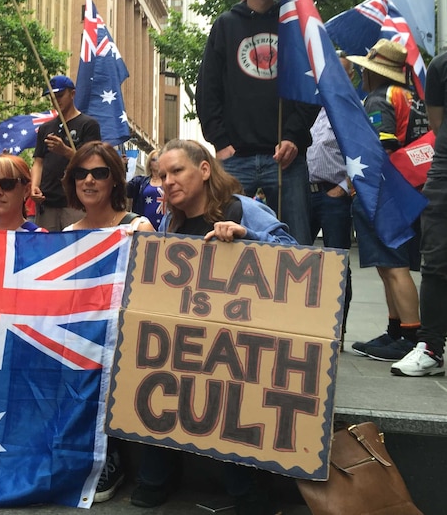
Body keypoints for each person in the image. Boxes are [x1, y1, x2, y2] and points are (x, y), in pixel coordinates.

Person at [131, 139, 293, 514]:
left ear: (204, 170)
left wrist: (246, 237)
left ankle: (246, 489)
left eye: (177, 171)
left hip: (238, 347)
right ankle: (156, 475)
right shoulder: (172, 225)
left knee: (227, 393)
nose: (168, 181)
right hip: (187, 346)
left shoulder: (243, 209)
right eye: (162, 175)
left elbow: (297, 254)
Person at [195, 0, 319, 246]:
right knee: (219, 240)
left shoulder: (293, 24)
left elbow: (311, 85)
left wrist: (294, 135)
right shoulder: (226, 25)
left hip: (286, 158)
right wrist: (220, 142)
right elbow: (207, 88)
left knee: (297, 245)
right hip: (236, 158)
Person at [58, 141, 153, 503]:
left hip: (124, 336)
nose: (89, 180)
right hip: (79, 335)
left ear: (115, 180)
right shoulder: (67, 236)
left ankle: (111, 456)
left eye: (99, 173)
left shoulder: (138, 226)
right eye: (81, 173)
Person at [347, 39, 425, 362]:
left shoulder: (380, 99)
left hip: (387, 192)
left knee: (394, 266)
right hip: (413, 190)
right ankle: (395, 331)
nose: (362, 75)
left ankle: (409, 336)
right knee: (388, 265)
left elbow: (384, 149)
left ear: (375, 73)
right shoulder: (413, 97)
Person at [391, 50, 447, 377]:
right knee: (436, 259)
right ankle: (430, 347)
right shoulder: (441, 66)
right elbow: (438, 125)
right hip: (444, 170)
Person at [307, 53, 356, 351]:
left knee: (338, 265)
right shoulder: (313, 108)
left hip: (333, 196)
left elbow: (365, 154)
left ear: (351, 77)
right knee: (297, 258)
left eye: (341, 71)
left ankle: (337, 333)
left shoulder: (352, 110)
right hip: (306, 194)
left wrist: (342, 188)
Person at [31, 75, 101, 231]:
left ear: (73, 94)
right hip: (47, 201)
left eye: (60, 96)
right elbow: (38, 161)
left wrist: (66, 151)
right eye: (52, 98)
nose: (56, 101)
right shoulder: (45, 128)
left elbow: (92, 161)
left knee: (76, 247)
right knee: (46, 248)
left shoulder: (88, 125)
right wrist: (34, 186)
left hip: (74, 201)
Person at [126, 148, 165, 230]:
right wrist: (122, 166)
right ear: (150, 164)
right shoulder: (140, 182)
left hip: (166, 227)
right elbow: (125, 190)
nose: (158, 161)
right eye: (155, 159)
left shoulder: (170, 181)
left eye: (161, 159)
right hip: (144, 227)